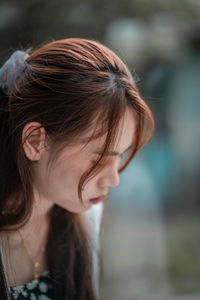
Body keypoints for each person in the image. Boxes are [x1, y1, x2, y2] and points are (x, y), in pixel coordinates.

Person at [0, 37, 154, 300]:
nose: (114, 179)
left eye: (120, 157)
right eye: (100, 158)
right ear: (35, 142)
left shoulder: (84, 216)